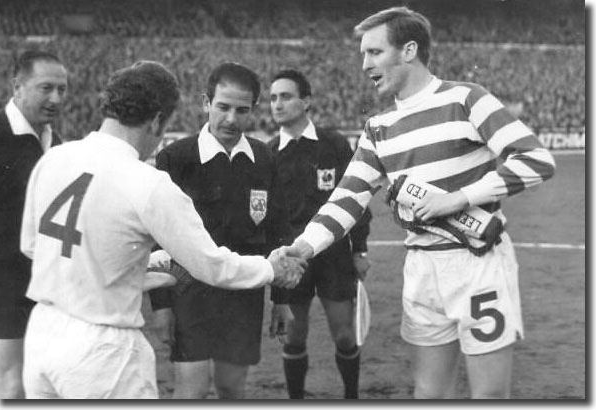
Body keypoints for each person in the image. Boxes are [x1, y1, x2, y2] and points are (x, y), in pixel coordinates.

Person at [282, 7, 556, 399]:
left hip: (476, 266)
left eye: (374, 52)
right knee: (428, 395)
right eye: (363, 54)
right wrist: (304, 247)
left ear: (409, 50)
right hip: (422, 270)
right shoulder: (378, 128)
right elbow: (345, 199)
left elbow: (535, 160)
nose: (364, 65)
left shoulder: (466, 99)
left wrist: (458, 198)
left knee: (490, 396)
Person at [19, 60, 305, 399]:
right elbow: (211, 265)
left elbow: (33, 246)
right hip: (101, 351)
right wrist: (271, 268)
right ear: (157, 119)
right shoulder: (147, 182)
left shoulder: (54, 158)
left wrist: (133, 272)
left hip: (42, 336)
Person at [150, 62, 291, 399]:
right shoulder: (176, 157)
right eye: (223, 107)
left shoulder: (264, 158)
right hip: (189, 291)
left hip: (243, 293)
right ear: (206, 103)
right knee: (191, 389)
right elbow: (158, 237)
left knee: (231, 387)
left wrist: (282, 300)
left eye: (242, 110)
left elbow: (277, 231)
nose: (231, 119)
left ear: (254, 110)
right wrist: (161, 305)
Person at [267, 69, 372, 400]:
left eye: (286, 96)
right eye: (272, 98)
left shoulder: (334, 144)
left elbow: (357, 201)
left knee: (343, 335)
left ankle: (351, 398)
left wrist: (360, 250)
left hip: (335, 255)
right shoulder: (268, 153)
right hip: (292, 259)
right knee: (294, 336)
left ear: (306, 101)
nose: (277, 104)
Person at [0, 50, 68, 399]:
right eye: (46, 88)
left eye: (62, 89)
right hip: (3, 286)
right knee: (11, 385)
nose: (56, 98)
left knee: (46, 384)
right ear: (17, 86)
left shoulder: (60, 147)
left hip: (50, 289)